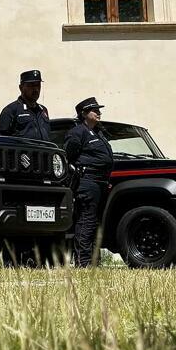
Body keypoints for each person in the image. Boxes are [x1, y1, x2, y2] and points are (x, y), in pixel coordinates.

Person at [64, 97, 113, 267]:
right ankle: (83, 262)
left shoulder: (98, 132)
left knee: (95, 223)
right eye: (95, 110)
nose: (99, 113)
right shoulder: (78, 132)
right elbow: (69, 156)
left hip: (100, 182)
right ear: (84, 114)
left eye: (99, 110)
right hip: (87, 181)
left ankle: (94, 261)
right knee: (86, 221)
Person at [0, 69, 50, 141]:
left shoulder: (43, 110)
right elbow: (2, 142)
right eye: (31, 85)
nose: (36, 89)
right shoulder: (11, 110)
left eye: (38, 85)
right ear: (21, 88)